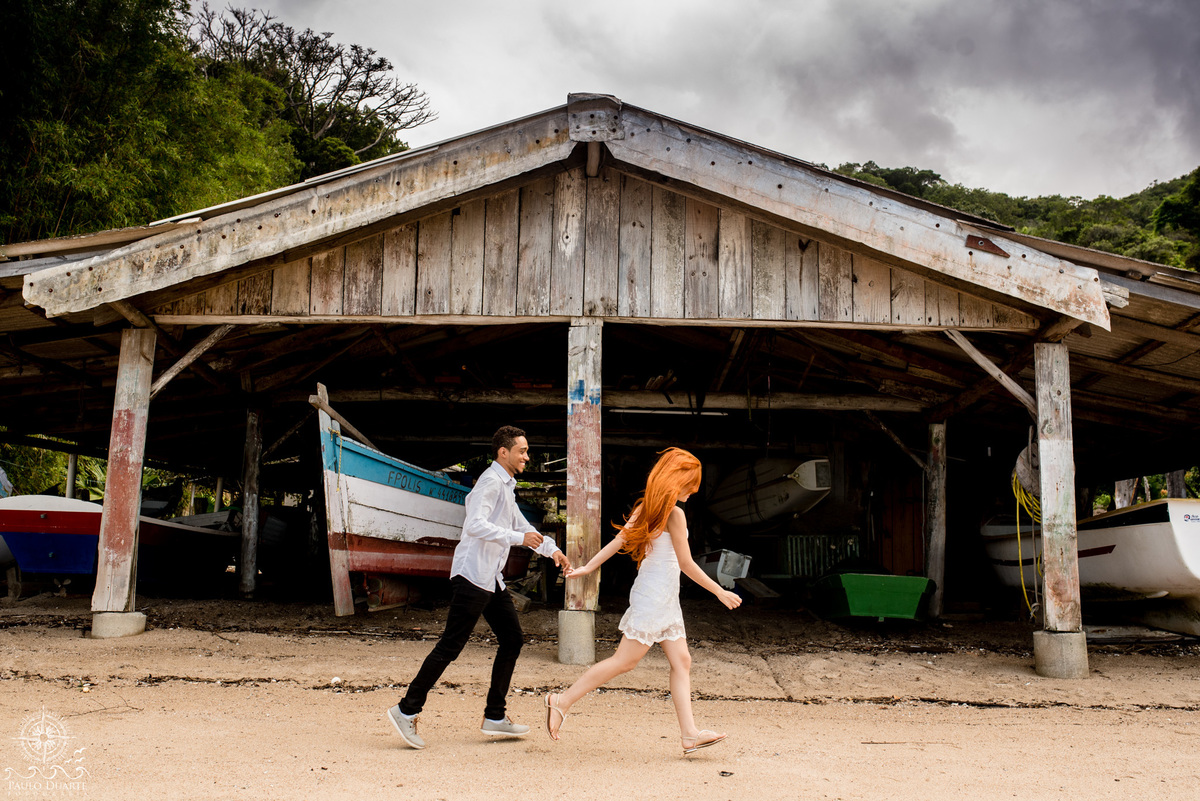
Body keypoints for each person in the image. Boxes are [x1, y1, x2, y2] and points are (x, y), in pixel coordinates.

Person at [544, 447, 742, 755]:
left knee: (682, 661)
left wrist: (588, 568)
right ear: (676, 480)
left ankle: (689, 734)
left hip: (661, 595)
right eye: (691, 484)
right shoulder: (673, 514)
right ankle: (562, 700)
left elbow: (617, 543)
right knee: (625, 661)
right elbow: (686, 563)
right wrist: (719, 591)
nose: (694, 491)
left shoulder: (647, 508)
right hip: (655, 596)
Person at [387, 426, 571, 749]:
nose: (527, 457)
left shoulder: (506, 486)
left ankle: (494, 716)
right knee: (450, 646)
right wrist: (518, 538)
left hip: (490, 579)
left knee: (512, 639)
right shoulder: (490, 482)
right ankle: (406, 710)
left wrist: (552, 549)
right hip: (473, 576)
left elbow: (522, 527)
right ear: (503, 452)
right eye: (522, 451)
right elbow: (474, 525)